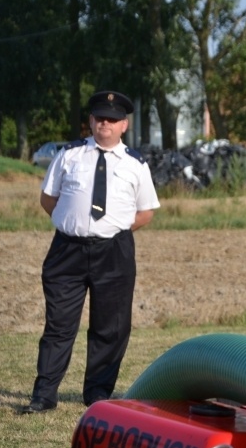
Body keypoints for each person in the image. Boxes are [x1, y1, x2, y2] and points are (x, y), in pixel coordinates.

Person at [20, 90, 160, 414]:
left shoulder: (136, 165)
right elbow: (48, 199)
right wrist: (74, 224)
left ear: (124, 124)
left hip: (114, 251)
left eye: (112, 120)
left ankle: (97, 393)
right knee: (59, 325)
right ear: (91, 121)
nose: (104, 125)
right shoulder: (68, 155)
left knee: (110, 327)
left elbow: (146, 212)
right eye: (99, 119)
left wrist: (111, 230)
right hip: (67, 250)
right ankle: (43, 396)